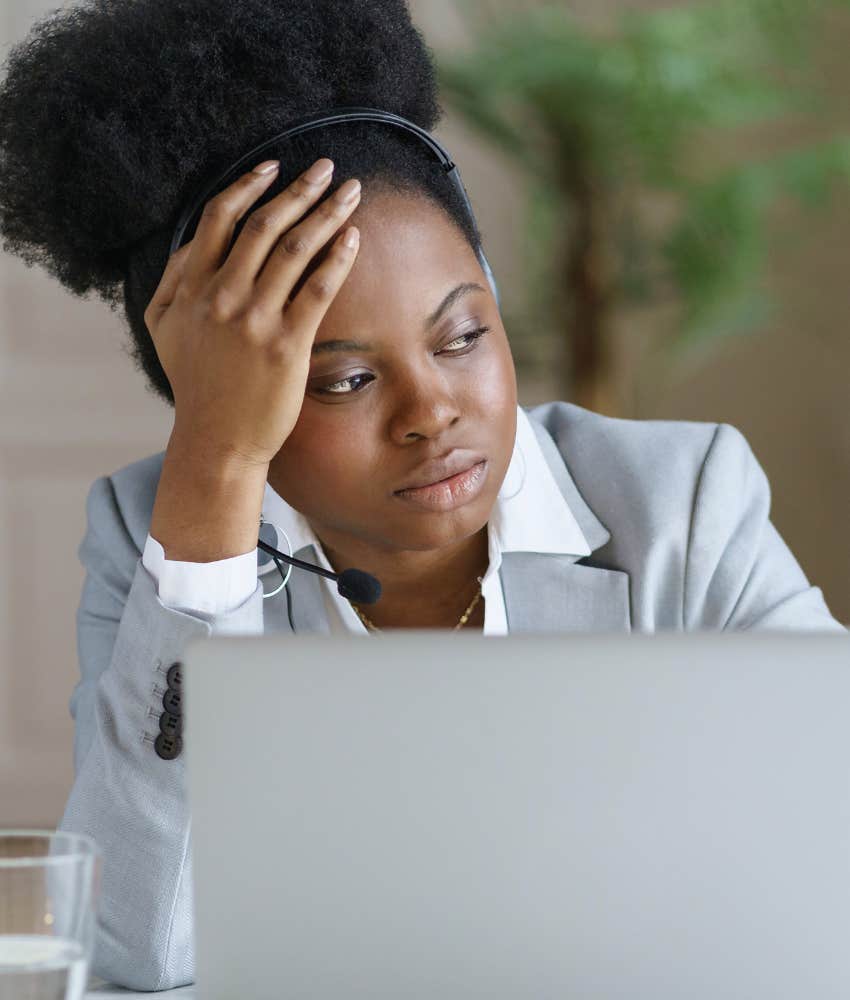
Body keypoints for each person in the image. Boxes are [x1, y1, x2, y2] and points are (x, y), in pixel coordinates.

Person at [0, 0, 844, 990]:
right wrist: (215, 474)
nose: (431, 412)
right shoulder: (162, 531)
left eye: (462, 337)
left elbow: (824, 847)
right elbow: (137, 952)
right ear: (231, 400)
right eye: (347, 380)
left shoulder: (683, 503)